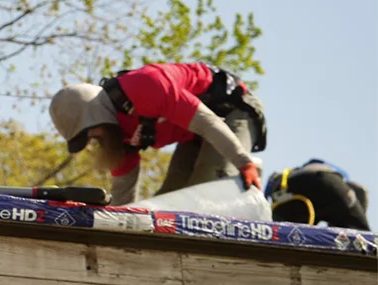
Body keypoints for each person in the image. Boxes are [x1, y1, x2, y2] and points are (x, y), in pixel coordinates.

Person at [49, 62, 267, 206]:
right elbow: (123, 196)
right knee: (168, 205)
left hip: (231, 113)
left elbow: (207, 123)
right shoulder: (118, 138)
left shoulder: (146, 86)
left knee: (205, 190)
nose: (91, 140)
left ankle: (246, 178)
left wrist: (243, 162)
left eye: (88, 132)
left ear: (95, 115)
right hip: (193, 137)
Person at [266, 159, 371, 231]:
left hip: (292, 188)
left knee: (283, 234)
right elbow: (362, 191)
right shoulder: (348, 190)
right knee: (363, 239)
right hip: (321, 183)